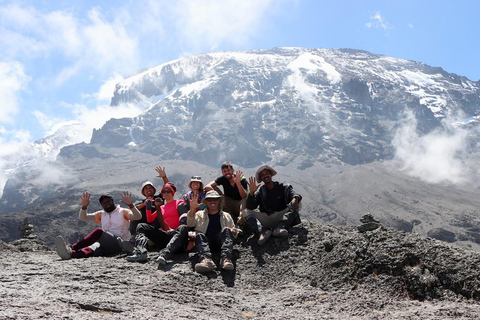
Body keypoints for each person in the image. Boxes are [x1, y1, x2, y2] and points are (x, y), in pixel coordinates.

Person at [55, 192, 141, 260]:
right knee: (91, 251)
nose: (106, 204)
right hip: (105, 244)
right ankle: (70, 254)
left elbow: (138, 216)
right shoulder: (101, 214)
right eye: (104, 203)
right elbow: (83, 217)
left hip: (119, 243)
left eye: (108, 201)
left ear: (112, 201)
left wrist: (131, 205)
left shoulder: (123, 211)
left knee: (99, 231)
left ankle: (71, 247)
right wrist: (84, 207)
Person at [126, 182, 189, 264]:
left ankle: (165, 253)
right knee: (141, 226)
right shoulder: (161, 207)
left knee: (183, 228)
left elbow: (186, 217)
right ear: (162, 194)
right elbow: (149, 220)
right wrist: (149, 207)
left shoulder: (179, 202)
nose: (166, 193)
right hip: (166, 236)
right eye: (164, 192)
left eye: (168, 191)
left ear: (173, 193)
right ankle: (140, 251)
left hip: (178, 238)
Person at [245, 164, 302, 245]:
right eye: (262, 175)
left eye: (266, 173)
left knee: (298, 203)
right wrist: (251, 194)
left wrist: (295, 199)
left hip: (282, 217)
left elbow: (294, 194)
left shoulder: (283, 186)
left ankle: (279, 228)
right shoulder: (261, 191)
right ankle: (262, 232)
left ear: (271, 174)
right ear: (261, 179)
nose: (265, 176)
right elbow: (251, 206)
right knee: (245, 212)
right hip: (267, 218)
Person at [187, 190, 238, 272]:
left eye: (215, 199)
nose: (212, 202)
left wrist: (232, 231)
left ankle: (226, 259)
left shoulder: (226, 215)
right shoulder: (199, 214)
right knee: (199, 235)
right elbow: (190, 223)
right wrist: (192, 208)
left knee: (226, 229)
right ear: (206, 202)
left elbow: (234, 233)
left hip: (220, 243)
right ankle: (206, 260)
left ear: (219, 201)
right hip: (205, 243)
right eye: (209, 200)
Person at [129, 166, 170, 237]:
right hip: (144, 226)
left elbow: (168, 187)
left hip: (157, 225)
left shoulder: (159, 198)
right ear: (143, 192)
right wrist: (144, 204)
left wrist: (164, 177)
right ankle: (134, 236)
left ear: (154, 190)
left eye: (150, 188)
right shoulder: (141, 204)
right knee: (135, 216)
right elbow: (133, 209)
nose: (148, 190)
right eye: (146, 188)